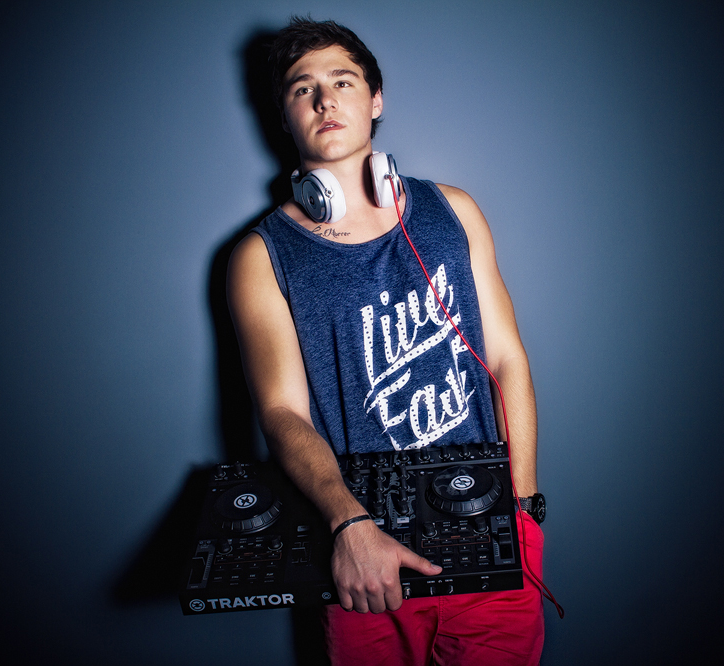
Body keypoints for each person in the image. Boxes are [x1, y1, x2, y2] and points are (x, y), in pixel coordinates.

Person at [227, 17, 545, 665]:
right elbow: (282, 412)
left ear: (375, 100)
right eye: (302, 88)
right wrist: (348, 525)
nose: (325, 99)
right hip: (366, 559)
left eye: (343, 81)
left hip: (491, 529)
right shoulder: (261, 257)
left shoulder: (454, 210)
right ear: (284, 116)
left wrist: (523, 504)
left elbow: (506, 358)